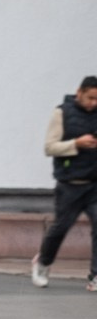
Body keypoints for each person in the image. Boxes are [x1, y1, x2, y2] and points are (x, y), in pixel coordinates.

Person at [34, 75, 97, 288]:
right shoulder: (61, 113)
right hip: (70, 185)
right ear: (79, 92)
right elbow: (49, 147)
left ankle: (95, 276)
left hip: (94, 184)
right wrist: (76, 144)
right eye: (90, 98)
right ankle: (43, 262)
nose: (93, 103)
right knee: (61, 227)